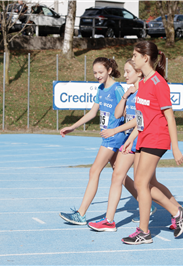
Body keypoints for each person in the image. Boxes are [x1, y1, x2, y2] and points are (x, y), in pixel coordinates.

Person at [87, 59, 181, 232]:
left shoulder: (146, 90)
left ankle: (110, 220)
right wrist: (125, 96)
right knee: (148, 182)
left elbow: (143, 121)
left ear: (139, 72)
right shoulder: (132, 91)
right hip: (135, 138)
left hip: (143, 140)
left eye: (128, 71)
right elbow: (123, 115)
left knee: (123, 178)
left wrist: (117, 132)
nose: (124, 75)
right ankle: (178, 211)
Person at [121, 41, 183, 245]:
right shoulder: (142, 83)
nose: (132, 58)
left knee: (141, 183)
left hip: (157, 138)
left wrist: (175, 147)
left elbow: (170, 117)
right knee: (147, 183)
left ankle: (144, 231)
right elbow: (143, 118)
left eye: (135, 55)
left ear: (145, 58)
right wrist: (131, 138)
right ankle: (178, 212)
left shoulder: (159, 84)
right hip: (144, 136)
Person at [59, 57, 139, 226]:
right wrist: (73, 127)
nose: (97, 75)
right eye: (95, 73)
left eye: (100, 72)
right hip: (108, 136)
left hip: (114, 137)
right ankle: (144, 200)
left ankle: (81, 214)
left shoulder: (117, 89)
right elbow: (92, 113)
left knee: (94, 171)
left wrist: (118, 130)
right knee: (119, 173)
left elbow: (126, 112)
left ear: (109, 70)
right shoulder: (101, 89)